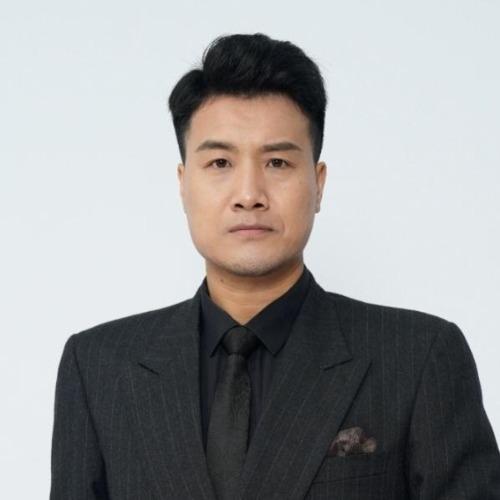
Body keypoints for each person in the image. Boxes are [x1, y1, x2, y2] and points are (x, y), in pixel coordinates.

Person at [50, 33, 500, 499]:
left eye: (278, 162)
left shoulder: (419, 357)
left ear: (318, 183)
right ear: (183, 185)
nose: (249, 195)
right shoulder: (99, 366)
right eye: (220, 162)